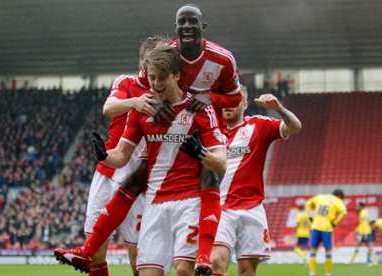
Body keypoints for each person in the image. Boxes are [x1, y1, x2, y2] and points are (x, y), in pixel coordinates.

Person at [54, 4, 242, 276]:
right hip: (160, 147)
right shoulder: (152, 77)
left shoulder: (222, 60)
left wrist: (208, 98)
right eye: (182, 22)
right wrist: (151, 103)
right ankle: (88, 249)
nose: (154, 81)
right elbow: (143, 90)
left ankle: (204, 256)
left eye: (193, 22)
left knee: (209, 176)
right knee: (136, 177)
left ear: (203, 27)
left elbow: (234, 99)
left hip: (196, 126)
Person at [87, 46, 226, 275]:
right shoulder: (142, 109)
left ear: (177, 76)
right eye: (152, 77)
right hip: (153, 203)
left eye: (162, 77)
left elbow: (220, 163)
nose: (156, 83)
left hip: (188, 201)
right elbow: (121, 156)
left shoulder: (199, 108)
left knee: (183, 270)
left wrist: (201, 153)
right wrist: (105, 156)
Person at [58, 35, 170, 276]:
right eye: (162, 54)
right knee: (96, 253)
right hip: (110, 167)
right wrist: (135, 102)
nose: (167, 58)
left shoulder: (165, 88)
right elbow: (108, 109)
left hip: (141, 177)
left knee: (138, 258)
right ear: (145, 59)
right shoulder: (127, 82)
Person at [210, 86, 302, 276]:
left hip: (251, 209)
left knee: (248, 271)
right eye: (224, 102)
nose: (227, 106)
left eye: (233, 101)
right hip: (219, 207)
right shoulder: (210, 130)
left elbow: (295, 126)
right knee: (215, 261)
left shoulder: (258, 125)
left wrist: (278, 109)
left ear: (244, 105)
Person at [305, 189, 347, 276]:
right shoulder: (337, 201)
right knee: (328, 251)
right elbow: (344, 212)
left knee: (313, 250)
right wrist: (335, 223)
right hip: (327, 228)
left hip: (315, 227)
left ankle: (312, 272)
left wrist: (310, 217)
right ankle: (328, 274)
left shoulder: (320, 196)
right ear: (339, 196)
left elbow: (307, 204)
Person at [347, 202, 378, 266]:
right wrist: (356, 230)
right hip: (364, 232)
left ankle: (351, 261)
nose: (356, 207)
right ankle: (375, 261)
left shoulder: (363, 213)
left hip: (364, 233)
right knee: (365, 246)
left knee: (363, 245)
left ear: (361, 206)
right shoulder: (362, 212)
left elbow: (365, 224)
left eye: (357, 206)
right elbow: (361, 224)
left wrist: (365, 234)